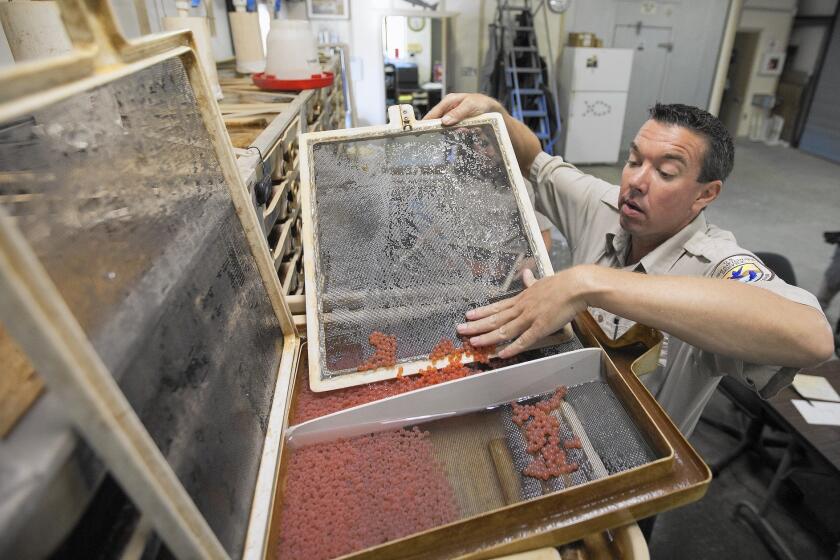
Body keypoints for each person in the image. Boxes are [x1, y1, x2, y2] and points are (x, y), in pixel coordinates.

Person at [424, 93, 834, 438]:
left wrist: (587, 283)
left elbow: (812, 338)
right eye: (634, 160)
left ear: (705, 194)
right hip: (557, 418)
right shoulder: (604, 207)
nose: (637, 181)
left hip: (638, 461)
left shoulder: (717, 264)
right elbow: (533, 159)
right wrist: (496, 111)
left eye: (666, 172)